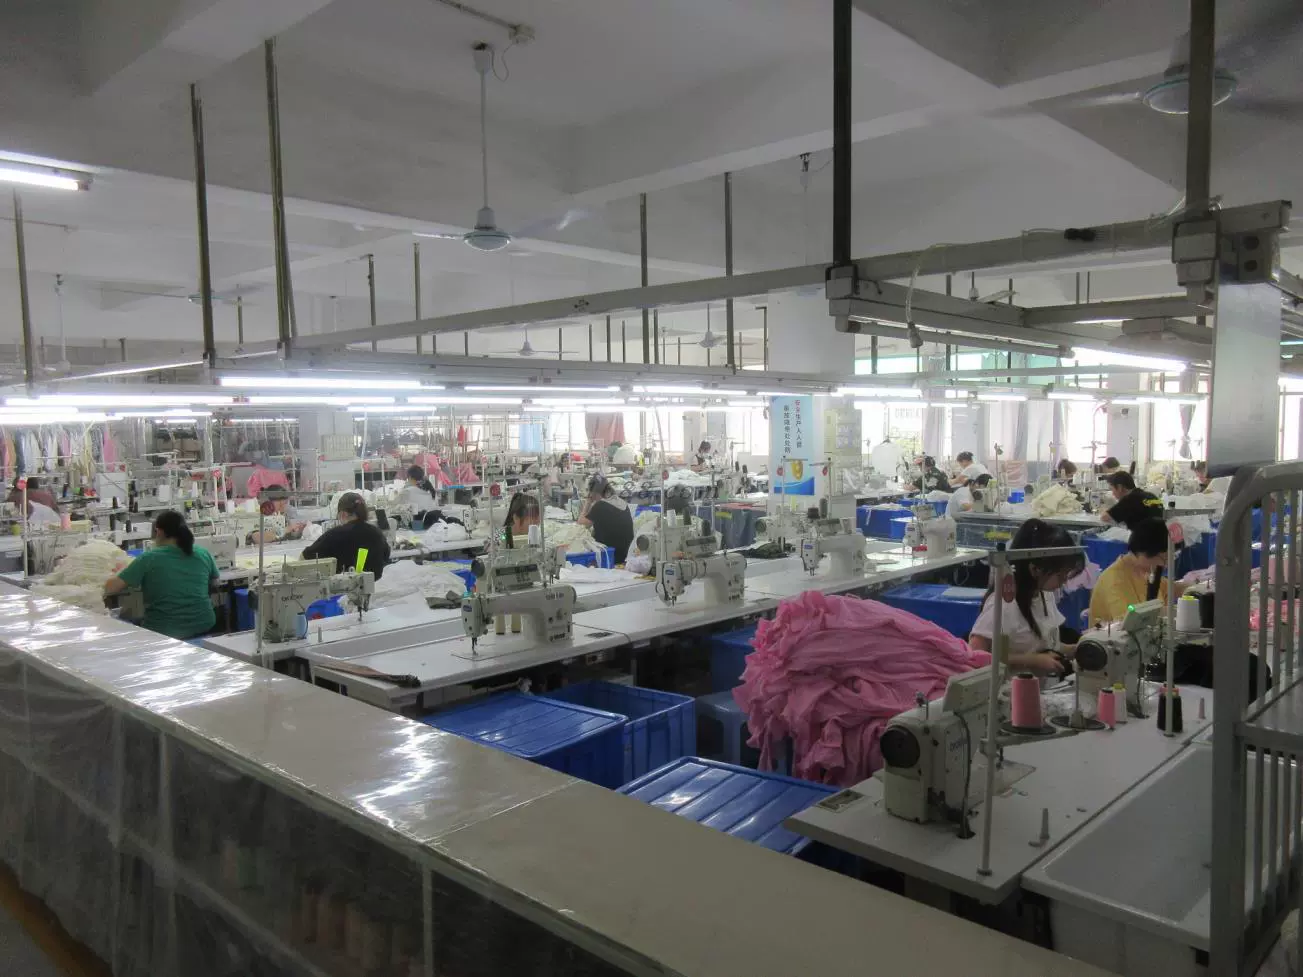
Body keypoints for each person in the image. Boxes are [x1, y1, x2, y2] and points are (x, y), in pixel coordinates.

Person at [968, 518, 1084, 676]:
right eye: (1060, 574)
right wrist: (1031, 661)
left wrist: (1074, 649)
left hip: (1039, 686)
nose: (1065, 581)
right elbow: (976, 655)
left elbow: (1047, 645)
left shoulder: (1044, 595)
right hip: (1007, 688)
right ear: (1035, 569)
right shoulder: (1005, 605)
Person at [104, 510, 218, 640]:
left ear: (159, 532)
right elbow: (215, 582)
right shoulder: (203, 553)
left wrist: (121, 571)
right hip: (203, 625)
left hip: (163, 630)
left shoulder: (148, 558)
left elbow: (110, 588)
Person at [1088, 520, 1185, 627]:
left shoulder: (1145, 572)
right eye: (1165, 558)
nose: (1166, 565)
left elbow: (1172, 588)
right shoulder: (1115, 582)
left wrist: (1192, 587)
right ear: (1143, 552)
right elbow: (1130, 623)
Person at [302, 492, 390, 580]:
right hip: (370, 582)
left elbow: (306, 556)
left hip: (341, 584)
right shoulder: (377, 533)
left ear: (343, 514)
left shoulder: (335, 534)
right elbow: (386, 555)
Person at [578, 474, 635, 563]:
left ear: (593, 493)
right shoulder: (622, 502)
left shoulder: (600, 505)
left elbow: (580, 525)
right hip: (625, 555)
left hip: (610, 557)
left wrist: (587, 503)